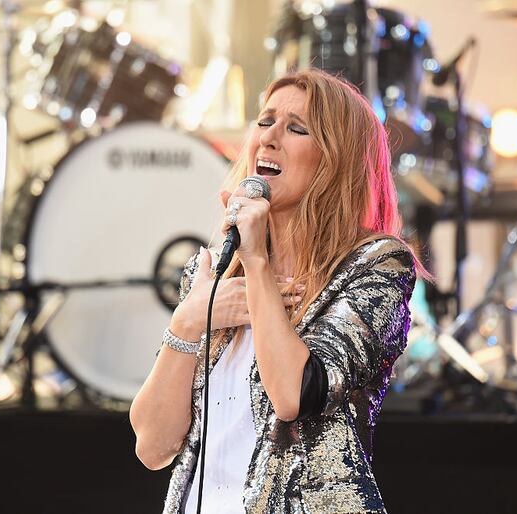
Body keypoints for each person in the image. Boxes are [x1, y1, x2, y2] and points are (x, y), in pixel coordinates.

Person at [129, 68, 426, 513]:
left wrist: (257, 264)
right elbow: (152, 446)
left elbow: (293, 395)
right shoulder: (213, 273)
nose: (269, 138)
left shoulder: (374, 265)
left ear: (334, 160)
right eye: (265, 122)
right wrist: (190, 318)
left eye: (296, 128)